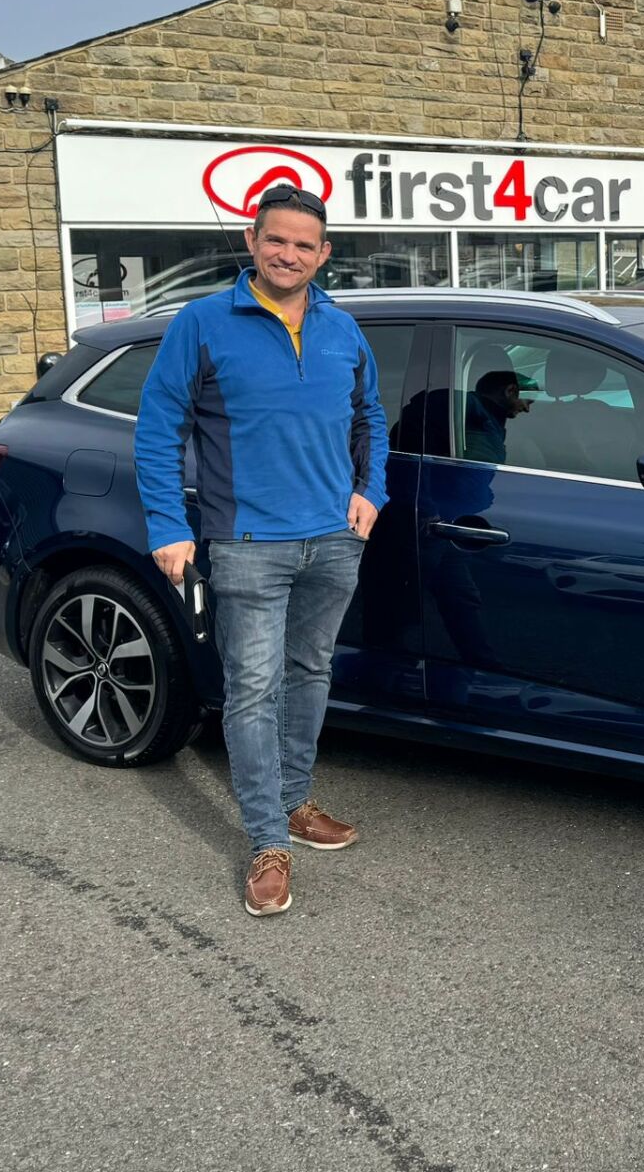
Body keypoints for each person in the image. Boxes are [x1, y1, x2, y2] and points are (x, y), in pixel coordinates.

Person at [133, 184, 390, 918]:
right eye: (276, 240)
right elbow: (158, 428)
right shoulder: (204, 322)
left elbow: (369, 414)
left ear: (324, 254)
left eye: (305, 245)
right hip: (247, 544)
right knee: (252, 690)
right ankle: (267, 840)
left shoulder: (342, 328)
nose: (289, 254)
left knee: (310, 672)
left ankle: (296, 800)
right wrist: (167, 525)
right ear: (252, 241)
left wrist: (370, 494)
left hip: (334, 541)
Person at [462, 368, 537, 464]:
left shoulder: (474, 412)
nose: (527, 409)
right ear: (510, 391)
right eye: (528, 402)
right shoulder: (477, 418)